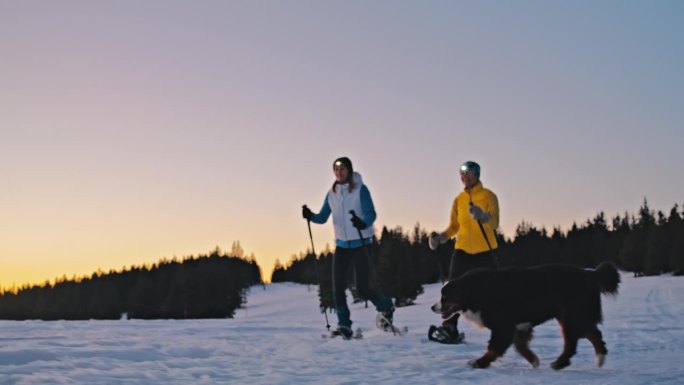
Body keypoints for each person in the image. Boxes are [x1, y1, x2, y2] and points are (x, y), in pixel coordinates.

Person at [302, 157, 395, 339]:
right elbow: (322, 217)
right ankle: (344, 324)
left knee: (362, 289)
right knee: (337, 288)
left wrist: (363, 223)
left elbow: (371, 214)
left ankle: (385, 305)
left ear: (349, 171)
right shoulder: (332, 194)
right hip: (342, 246)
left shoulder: (361, 189)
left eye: (342, 169)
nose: (339, 172)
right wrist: (309, 215)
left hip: (362, 244)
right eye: (336, 169)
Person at [428, 160, 500, 344]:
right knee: (452, 289)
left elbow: (494, 223)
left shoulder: (488, 196)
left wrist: (483, 216)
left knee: (494, 290)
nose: (464, 176)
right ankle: (449, 327)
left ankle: (504, 324)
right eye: (462, 173)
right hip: (462, 251)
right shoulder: (458, 200)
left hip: (485, 250)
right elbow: (454, 227)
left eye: (468, 173)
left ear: (477, 175)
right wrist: (440, 239)